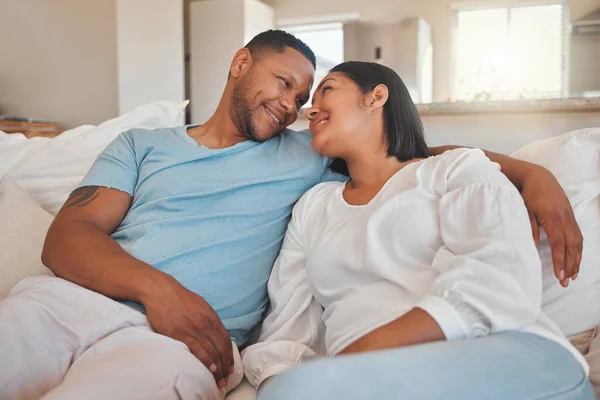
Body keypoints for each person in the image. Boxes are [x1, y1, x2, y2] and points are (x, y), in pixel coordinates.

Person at [0, 31, 583, 400]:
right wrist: (159, 289)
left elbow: (411, 159)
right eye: (284, 82)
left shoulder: (308, 155)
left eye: (308, 95)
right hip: (70, 304)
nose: (293, 105)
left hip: (183, 345)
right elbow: (68, 235)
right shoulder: (142, 146)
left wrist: (532, 172)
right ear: (239, 63)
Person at [241, 61, 594, 400]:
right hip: (368, 376)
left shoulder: (454, 169)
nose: (311, 111)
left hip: (505, 351)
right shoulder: (314, 206)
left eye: (326, 91)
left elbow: (500, 281)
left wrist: (351, 360)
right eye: (310, 104)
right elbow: (287, 327)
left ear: (376, 97)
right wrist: (281, 377)